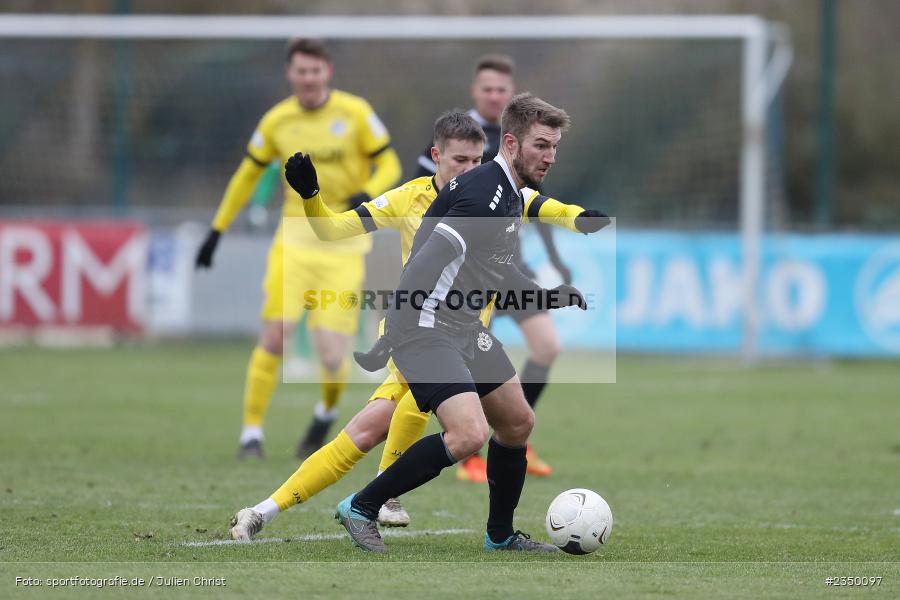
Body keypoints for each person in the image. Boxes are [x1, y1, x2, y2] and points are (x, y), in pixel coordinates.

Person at [228, 111, 607, 541]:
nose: (467, 169)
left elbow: (533, 219)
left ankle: (473, 528)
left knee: (515, 421)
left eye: (475, 160)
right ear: (436, 157)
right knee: (390, 433)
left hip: (465, 335)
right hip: (421, 331)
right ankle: (329, 506)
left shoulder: (495, 195)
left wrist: (571, 236)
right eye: (458, 160)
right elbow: (335, 231)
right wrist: (313, 196)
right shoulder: (409, 200)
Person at [334, 93, 602, 553]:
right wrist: (393, 335)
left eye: (555, 147)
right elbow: (425, 261)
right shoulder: (484, 193)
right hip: (424, 326)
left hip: (460, 325)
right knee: (468, 435)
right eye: (542, 145)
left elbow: (494, 268)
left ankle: (499, 535)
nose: (550, 157)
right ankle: (361, 506)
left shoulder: (509, 193)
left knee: (517, 422)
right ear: (513, 143)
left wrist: (547, 296)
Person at [194, 38, 401, 459]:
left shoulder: (355, 112)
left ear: (328, 72)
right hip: (294, 243)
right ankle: (251, 433)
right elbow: (245, 176)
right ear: (290, 74)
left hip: (343, 244)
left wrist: (369, 191)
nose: (308, 78)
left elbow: (391, 163)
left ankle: (325, 411)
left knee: (330, 352)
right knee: (275, 335)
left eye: (315, 70)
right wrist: (217, 229)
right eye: (301, 71)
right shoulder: (276, 122)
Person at [415, 54, 570, 482]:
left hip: (506, 264)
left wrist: (557, 264)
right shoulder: (455, 135)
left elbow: (532, 204)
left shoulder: (527, 137)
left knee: (547, 346)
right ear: (475, 91)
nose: (494, 94)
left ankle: (513, 434)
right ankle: (469, 448)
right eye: (488, 88)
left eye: (502, 89)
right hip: (462, 268)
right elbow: (426, 199)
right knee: (466, 352)